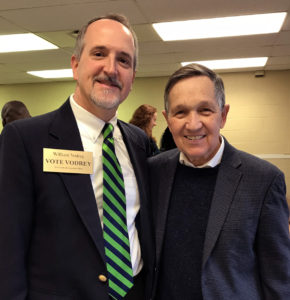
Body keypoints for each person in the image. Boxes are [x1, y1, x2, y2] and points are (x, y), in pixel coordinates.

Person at [0, 14, 154, 300]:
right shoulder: (25, 140)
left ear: (132, 76)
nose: (111, 69)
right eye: (99, 54)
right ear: (75, 64)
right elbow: (8, 246)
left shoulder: (139, 142)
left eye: (124, 60)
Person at [149, 63, 290, 299]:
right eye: (180, 112)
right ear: (168, 119)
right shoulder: (153, 172)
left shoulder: (264, 180)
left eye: (205, 110)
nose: (193, 124)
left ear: (223, 115)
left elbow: (279, 278)